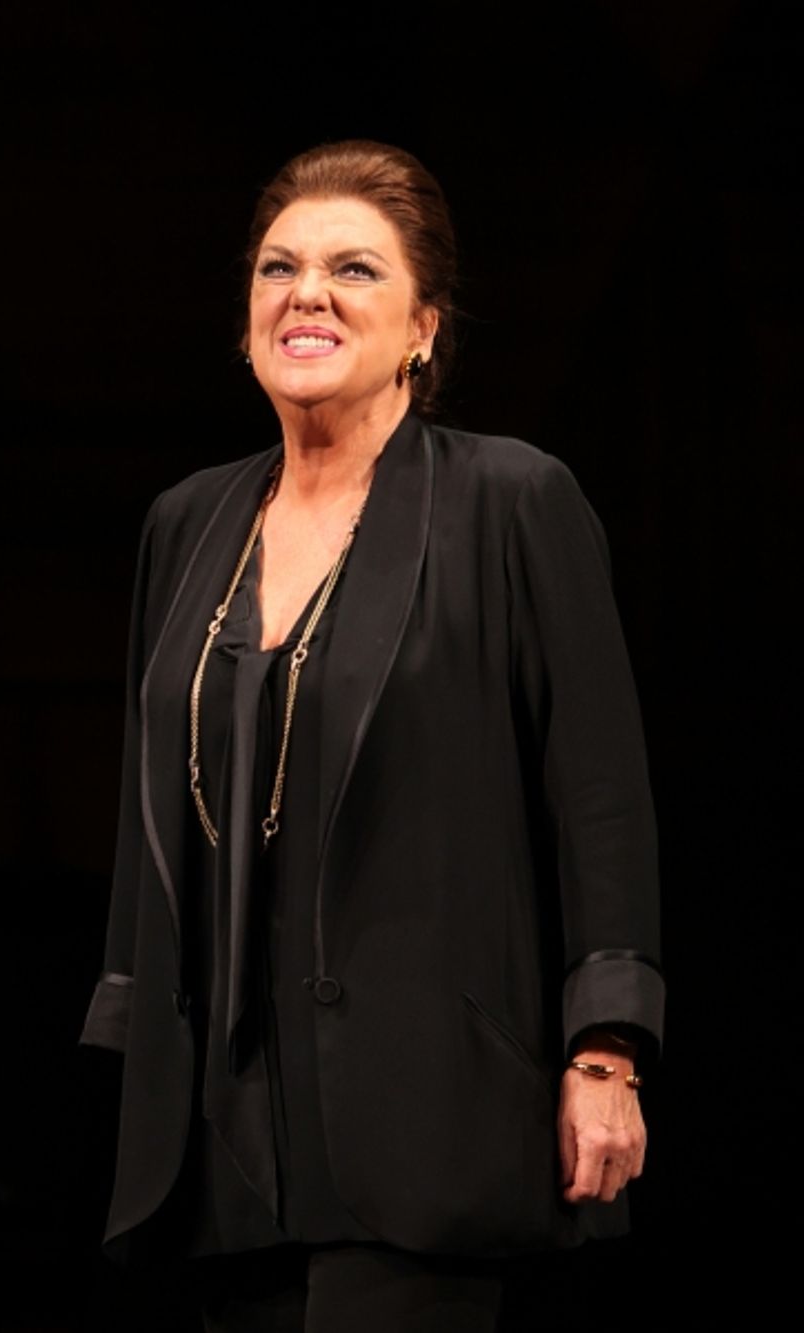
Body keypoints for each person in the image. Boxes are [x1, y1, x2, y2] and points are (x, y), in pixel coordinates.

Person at [80, 140, 664, 1331]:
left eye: (354, 269)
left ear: (423, 329)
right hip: (215, 1131)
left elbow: (598, 793)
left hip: (423, 1107)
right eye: (279, 268)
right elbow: (153, 800)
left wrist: (606, 1048)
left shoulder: (510, 501)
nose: (307, 294)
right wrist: (129, 1029)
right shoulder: (187, 521)